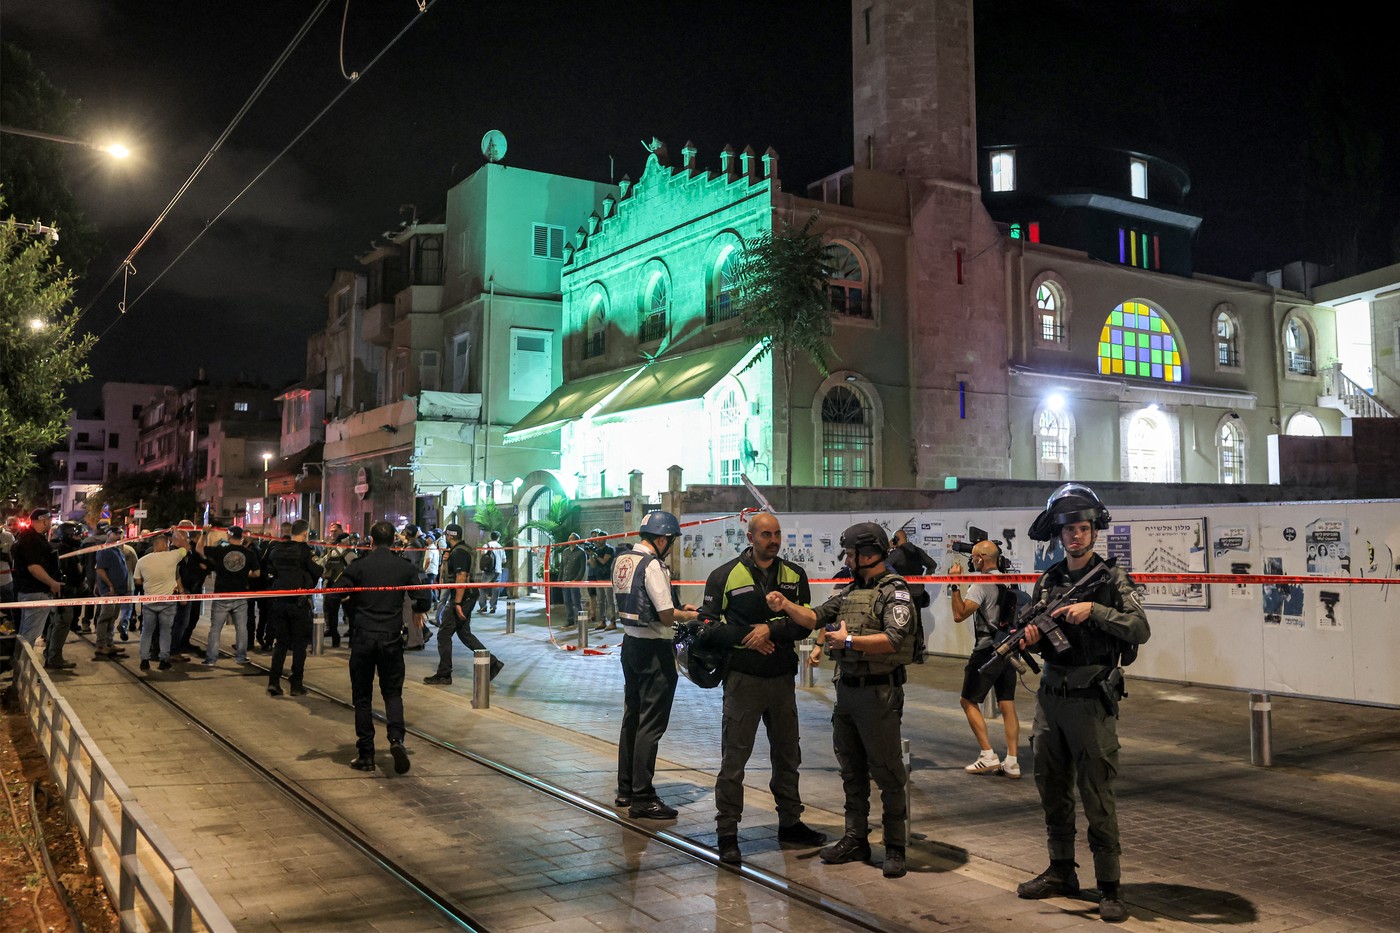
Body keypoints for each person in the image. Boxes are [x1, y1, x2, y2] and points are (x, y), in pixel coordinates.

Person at [1015, 483, 1151, 923]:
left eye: (1083, 528)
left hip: (1091, 701)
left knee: (1096, 794)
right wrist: (1031, 640)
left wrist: (1093, 610)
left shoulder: (1112, 580)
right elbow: (1036, 640)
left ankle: (1109, 886)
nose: (1076, 536)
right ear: (1058, 535)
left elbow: (1139, 628)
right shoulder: (1050, 580)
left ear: (1095, 531)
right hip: (1051, 699)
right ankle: (1061, 871)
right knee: (1052, 790)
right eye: (1069, 530)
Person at [767, 521, 917, 879]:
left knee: (888, 772)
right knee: (851, 771)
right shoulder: (850, 592)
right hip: (848, 692)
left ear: (868, 554)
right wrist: (786, 604)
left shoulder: (894, 592)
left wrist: (849, 643)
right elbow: (815, 617)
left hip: (879, 692)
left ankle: (895, 846)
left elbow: (895, 640)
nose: (846, 559)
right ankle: (856, 838)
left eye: (850, 553)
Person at [695, 511, 826, 864]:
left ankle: (790, 822)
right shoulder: (724, 575)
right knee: (734, 758)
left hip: (782, 680)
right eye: (766, 534)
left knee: (788, 755)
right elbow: (705, 626)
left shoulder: (793, 576)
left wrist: (771, 631)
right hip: (743, 680)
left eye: (777, 534)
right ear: (750, 537)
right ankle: (727, 832)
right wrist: (747, 638)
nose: (774, 540)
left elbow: (803, 624)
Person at [614, 510, 698, 820]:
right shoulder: (652, 565)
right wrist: (690, 615)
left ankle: (626, 789)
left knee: (632, 718)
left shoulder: (624, 560)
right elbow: (665, 615)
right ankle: (643, 797)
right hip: (654, 649)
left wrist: (677, 606)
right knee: (651, 723)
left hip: (630, 645)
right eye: (671, 542)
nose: (670, 547)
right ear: (661, 539)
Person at [340, 520, 430, 774]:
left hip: (363, 638)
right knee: (392, 693)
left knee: (362, 698)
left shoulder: (359, 566)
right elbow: (423, 595)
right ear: (393, 541)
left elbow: (336, 591)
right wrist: (418, 611)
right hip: (391, 638)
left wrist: (351, 600)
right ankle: (396, 740)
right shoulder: (403, 567)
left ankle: (366, 754)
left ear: (371, 540)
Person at [947, 538, 1021, 778]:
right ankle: (1012, 761)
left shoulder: (980, 584)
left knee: (967, 701)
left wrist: (955, 584)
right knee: (1007, 703)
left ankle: (987, 754)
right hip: (1009, 649)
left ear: (980, 559)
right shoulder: (1013, 582)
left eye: (974, 557)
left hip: (987, 651)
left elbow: (959, 614)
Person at [424, 524, 503, 685]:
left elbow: (461, 576)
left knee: (444, 634)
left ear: (450, 535)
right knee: (464, 634)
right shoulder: (462, 549)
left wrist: (458, 603)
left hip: (462, 597)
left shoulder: (459, 552)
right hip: (466, 596)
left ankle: (444, 674)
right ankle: (493, 662)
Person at [263, 520, 321, 696]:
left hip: (279, 601)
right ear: (304, 534)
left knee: (281, 643)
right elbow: (317, 571)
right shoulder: (304, 551)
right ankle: (296, 684)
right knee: (299, 645)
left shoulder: (278, 548)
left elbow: (267, 563)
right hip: (298, 602)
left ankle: (274, 682)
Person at [196, 526, 261, 665]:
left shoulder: (220, 551)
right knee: (241, 628)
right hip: (240, 594)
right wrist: (245, 573)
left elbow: (199, 549)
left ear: (229, 536)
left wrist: (205, 533)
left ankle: (211, 659)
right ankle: (241, 657)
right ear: (241, 537)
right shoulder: (249, 553)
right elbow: (257, 573)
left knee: (215, 628)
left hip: (222, 595)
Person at [134, 532, 187, 671]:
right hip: (167, 602)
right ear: (165, 544)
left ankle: (144, 660)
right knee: (165, 631)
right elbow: (186, 546)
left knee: (147, 631)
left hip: (149, 602)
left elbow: (137, 581)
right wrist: (177, 533)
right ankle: (163, 659)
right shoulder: (172, 556)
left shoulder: (142, 560)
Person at [887, 529, 937, 650]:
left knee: (901, 621)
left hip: (902, 593)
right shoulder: (918, 551)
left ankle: (904, 649)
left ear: (895, 540)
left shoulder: (896, 554)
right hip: (918, 592)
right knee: (917, 621)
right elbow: (932, 564)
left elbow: (884, 566)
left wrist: (888, 549)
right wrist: (926, 577)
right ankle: (918, 650)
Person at [92, 528, 131, 661]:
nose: (119, 535)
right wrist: (109, 585)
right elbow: (100, 569)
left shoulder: (117, 550)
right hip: (110, 591)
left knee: (112, 617)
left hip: (118, 590)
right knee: (105, 617)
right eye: (116, 533)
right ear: (109, 534)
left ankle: (109, 643)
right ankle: (101, 645)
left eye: (120, 533)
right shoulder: (104, 549)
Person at [319, 532, 356, 647]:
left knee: (332, 615)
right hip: (346, 588)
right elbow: (357, 570)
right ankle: (352, 641)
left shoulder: (330, 553)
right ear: (345, 541)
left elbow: (321, 566)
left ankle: (335, 640)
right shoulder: (350, 554)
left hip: (331, 588)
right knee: (351, 615)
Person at [587, 529, 618, 631]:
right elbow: (593, 565)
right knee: (600, 601)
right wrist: (591, 555)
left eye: (600, 539)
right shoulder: (597, 550)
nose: (598, 541)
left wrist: (595, 555)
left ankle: (612, 621)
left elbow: (604, 561)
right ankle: (602, 620)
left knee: (609, 601)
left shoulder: (609, 549)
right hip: (598, 577)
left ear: (605, 539)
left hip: (607, 578)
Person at [558, 532, 587, 626]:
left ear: (576, 541)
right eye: (569, 539)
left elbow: (582, 568)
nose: (569, 541)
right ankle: (570, 620)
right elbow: (562, 566)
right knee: (567, 601)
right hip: (565, 579)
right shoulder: (565, 552)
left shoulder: (581, 552)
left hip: (574, 580)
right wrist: (560, 579)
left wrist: (577, 579)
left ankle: (580, 620)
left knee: (576, 600)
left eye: (572, 539)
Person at [475, 530, 505, 614]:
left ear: (490, 537)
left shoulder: (487, 545)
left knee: (483, 589)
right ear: (498, 538)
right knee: (495, 589)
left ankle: (483, 606)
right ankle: (493, 607)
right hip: (498, 570)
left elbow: (483, 552)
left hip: (488, 570)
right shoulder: (500, 547)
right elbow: (504, 560)